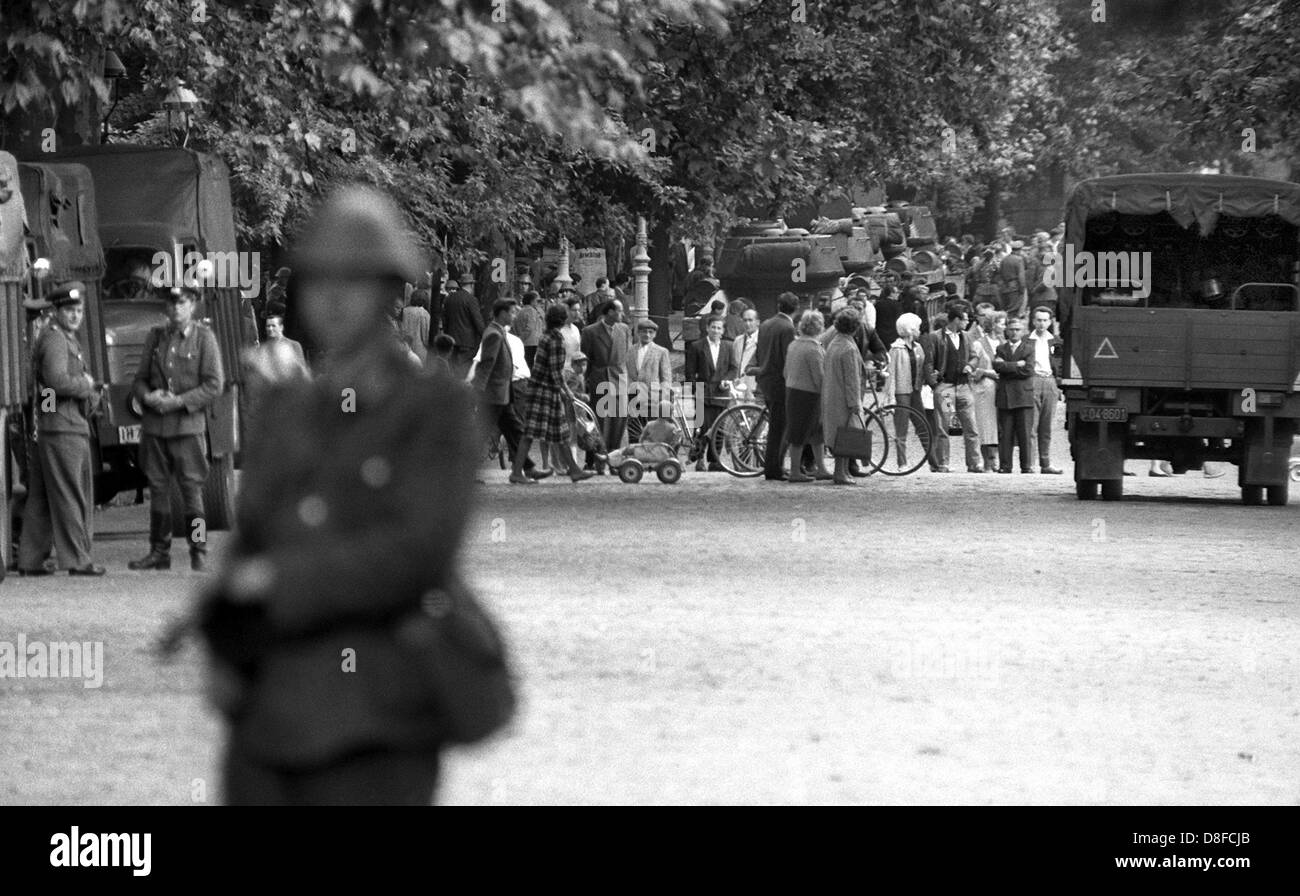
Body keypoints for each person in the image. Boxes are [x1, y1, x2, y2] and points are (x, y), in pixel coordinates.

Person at [194, 184, 506, 805]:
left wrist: (278, 583)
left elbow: (416, 553)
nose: (333, 296)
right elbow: (250, 538)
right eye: (318, 279)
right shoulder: (286, 409)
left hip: (377, 719)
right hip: (269, 720)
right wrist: (220, 621)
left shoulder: (435, 408)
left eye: (355, 279)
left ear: (391, 291)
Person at [128, 285, 223, 572]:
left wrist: (179, 402)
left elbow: (214, 385)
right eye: (171, 304)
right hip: (156, 428)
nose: (176, 309)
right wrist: (147, 396)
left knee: (192, 492)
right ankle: (159, 551)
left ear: (192, 305)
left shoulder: (204, 339)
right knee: (157, 490)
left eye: (182, 303)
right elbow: (140, 378)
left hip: (187, 428)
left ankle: (199, 549)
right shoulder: (155, 337)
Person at [17, 283, 105, 576]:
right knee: (70, 495)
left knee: (41, 497)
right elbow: (55, 380)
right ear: (57, 311)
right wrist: (87, 386)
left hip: (56, 427)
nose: (75, 316)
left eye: (79, 311)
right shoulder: (56, 340)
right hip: (65, 429)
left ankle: (30, 559)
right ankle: (77, 560)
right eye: (69, 310)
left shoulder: (63, 338)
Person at [512, 305, 596, 484]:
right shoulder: (557, 339)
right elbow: (555, 371)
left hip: (539, 389)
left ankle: (573, 470)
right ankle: (517, 472)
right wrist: (568, 392)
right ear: (563, 319)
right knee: (536, 432)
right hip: (546, 392)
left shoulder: (546, 336)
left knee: (557, 431)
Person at [473, 299, 547, 480]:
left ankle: (526, 468)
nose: (514, 316)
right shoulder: (494, 334)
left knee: (515, 431)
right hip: (493, 394)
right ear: (503, 313)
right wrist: (478, 391)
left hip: (501, 393)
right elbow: (486, 364)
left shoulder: (498, 332)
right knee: (487, 433)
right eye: (512, 312)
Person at [924, 302, 983, 473]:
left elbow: (974, 356)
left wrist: (970, 366)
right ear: (956, 319)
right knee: (944, 425)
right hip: (946, 387)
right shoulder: (936, 337)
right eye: (965, 319)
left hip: (963, 386)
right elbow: (928, 362)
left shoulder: (966, 336)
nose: (967, 323)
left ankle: (974, 463)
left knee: (971, 426)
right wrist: (935, 385)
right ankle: (943, 463)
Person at [579, 299, 632, 472]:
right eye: (619, 311)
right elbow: (586, 359)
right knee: (601, 422)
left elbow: (627, 355)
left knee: (618, 422)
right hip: (600, 379)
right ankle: (598, 460)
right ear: (609, 312)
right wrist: (585, 384)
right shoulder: (590, 331)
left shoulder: (624, 329)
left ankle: (615, 460)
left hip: (620, 380)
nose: (622, 314)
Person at [749, 292, 797, 481]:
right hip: (779, 382)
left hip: (765, 379)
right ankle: (773, 467)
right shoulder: (787, 328)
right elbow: (788, 357)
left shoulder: (766, 324)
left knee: (776, 426)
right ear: (796, 308)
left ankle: (774, 465)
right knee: (779, 427)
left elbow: (761, 351)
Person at [783, 310, 832, 482]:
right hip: (808, 395)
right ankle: (796, 471)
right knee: (805, 433)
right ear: (819, 327)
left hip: (792, 391)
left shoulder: (793, 345)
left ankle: (820, 468)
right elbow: (819, 377)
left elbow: (785, 371)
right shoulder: (814, 349)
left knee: (811, 432)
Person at [684, 316, 737, 471]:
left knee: (719, 426)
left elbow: (733, 368)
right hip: (703, 392)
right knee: (701, 426)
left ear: (723, 330)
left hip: (721, 392)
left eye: (719, 328)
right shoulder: (697, 346)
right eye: (713, 327)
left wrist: (727, 380)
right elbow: (690, 372)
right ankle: (699, 458)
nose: (716, 330)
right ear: (707, 328)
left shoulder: (729, 346)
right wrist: (696, 389)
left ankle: (715, 460)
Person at [822, 309, 867, 486]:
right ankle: (840, 472)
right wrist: (855, 402)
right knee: (846, 435)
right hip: (843, 397)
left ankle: (843, 471)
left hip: (832, 394)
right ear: (855, 327)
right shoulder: (848, 348)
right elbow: (852, 379)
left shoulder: (834, 343)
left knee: (838, 434)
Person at [885, 312, 932, 472]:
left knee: (923, 425)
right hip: (901, 392)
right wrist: (890, 398)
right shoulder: (896, 349)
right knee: (901, 429)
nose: (920, 330)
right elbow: (891, 375)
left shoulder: (918, 347)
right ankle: (902, 463)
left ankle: (934, 461)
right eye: (917, 327)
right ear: (911, 329)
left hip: (915, 390)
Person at [993, 317, 1035, 473]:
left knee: (1025, 433)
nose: (1014, 332)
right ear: (1007, 331)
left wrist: (1007, 367)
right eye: (1011, 329)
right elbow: (997, 366)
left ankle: (1026, 466)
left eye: (1017, 329)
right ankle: (1005, 465)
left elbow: (1028, 370)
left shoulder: (1028, 349)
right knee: (1005, 433)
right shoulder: (1001, 349)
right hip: (1005, 396)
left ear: (1023, 331)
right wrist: (1017, 365)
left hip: (1023, 396)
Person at [1026, 306, 1064, 474]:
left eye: (1045, 320)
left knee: (1046, 425)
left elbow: (1060, 364)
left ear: (1050, 322)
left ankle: (1046, 463)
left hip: (1049, 381)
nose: (1041, 324)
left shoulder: (1055, 342)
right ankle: (1030, 463)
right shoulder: (1027, 340)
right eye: (1038, 320)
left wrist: (1059, 384)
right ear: (1033, 321)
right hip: (1033, 380)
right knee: (1031, 424)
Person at [968, 304, 1001, 472]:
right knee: (986, 424)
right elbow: (973, 371)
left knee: (1000, 425)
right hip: (984, 390)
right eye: (1001, 324)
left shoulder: (1005, 343)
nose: (1004, 327)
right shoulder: (978, 344)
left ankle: (998, 459)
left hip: (1002, 389)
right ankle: (988, 461)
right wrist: (987, 372)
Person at [628, 318, 673, 435]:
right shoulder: (630, 351)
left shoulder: (661, 351)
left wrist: (663, 397)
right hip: (633, 397)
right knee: (634, 431)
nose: (647, 335)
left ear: (655, 334)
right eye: (644, 331)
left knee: (652, 432)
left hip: (652, 397)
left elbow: (666, 378)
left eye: (650, 332)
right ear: (638, 333)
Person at [441, 279, 483, 373]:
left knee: (453, 369)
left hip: (451, 340)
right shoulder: (471, 299)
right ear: (471, 285)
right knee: (464, 371)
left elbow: (445, 320)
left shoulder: (449, 299)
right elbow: (478, 321)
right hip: (467, 343)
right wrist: (484, 335)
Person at [731, 306, 760, 397]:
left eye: (750, 320)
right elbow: (735, 364)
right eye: (745, 320)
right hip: (739, 387)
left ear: (758, 322)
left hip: (755, 388)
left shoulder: (763, 340)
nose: (747, 323)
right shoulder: (737, 340)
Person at [400, 288, 432, 365]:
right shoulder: (424, 313)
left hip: (405, 347)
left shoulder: (404, 311)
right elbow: (426, 336)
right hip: (420, 349)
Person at [998, 241, 1028, 319]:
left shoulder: (1004, 259)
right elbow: (1021, 276)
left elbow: (1000, 273)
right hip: (1015, 288)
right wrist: (1022, 288)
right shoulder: (1019, 259)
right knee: (1014, 311)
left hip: (1004, 287)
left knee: (1006, 309)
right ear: (1019, 250)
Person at [513, 290, 544, 366]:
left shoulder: (520, 311)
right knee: (530, 364)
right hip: (531, 342)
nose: (537, 303)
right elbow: (530, 328)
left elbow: (515, 326)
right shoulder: (531, 311)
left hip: (524, 341)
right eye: (536, 300)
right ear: (532, 301)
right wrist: (522, 338)